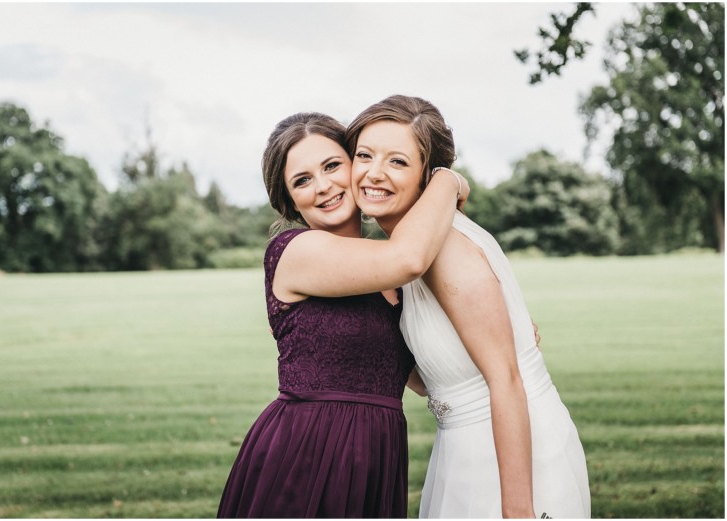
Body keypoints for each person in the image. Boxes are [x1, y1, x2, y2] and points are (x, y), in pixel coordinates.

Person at [345, 95, 591, 518]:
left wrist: (518, 510)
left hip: (508, 457)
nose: (374, 173)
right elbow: (427, 379)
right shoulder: (405, 253)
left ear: (428, 175)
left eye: (398, 162)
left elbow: (506, 380)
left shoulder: (444, 250)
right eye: (364, 155)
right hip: (463, 450)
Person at [216, 112, 468, 518]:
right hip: (305, 454)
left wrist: (491, 335)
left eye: (332, 166)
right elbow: (410, 256)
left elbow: (421, 379)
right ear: (290, 200)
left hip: (375, 456)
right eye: (302, 180)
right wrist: (447, 179)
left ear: (356, 165)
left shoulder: (390, 276)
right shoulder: (295, 251)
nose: (323, 186)